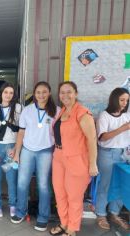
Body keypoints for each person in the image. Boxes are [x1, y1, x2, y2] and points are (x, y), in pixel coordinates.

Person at [50, 81, 98, 236]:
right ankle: (64, 223)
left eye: (69, 92)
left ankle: (72, 229)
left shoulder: (83, 113)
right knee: (59, 193)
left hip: (76, 160)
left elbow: (92, 140)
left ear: (76, 94)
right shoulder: (62, 111)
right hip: (58, 157)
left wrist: (92, 164)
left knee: (74, 197)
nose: (65, 95)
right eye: (62, 92)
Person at [10, 81, 59, 231]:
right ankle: (20, 212)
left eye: (44, 92)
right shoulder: (27, 110)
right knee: (22, 182)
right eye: (38, 92)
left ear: (49, 93)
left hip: (46, 151)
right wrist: (17, 153)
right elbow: (21, 133)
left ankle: (43, 217)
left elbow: (59, 134)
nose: (41, 95)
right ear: (34, 94)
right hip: (28, 150)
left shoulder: (57, 111)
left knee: (43, 185)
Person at [95, 88, 130, 230]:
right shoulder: (104, 115)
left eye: (127, 100)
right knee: (105, 185)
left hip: (123, 154)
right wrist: (122, 129)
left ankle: (114, 213)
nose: (124, 103)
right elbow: (102, 137)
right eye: (122, 100)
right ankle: (101, 213)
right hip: (107, 154)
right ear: (114, 99)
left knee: (122, 184)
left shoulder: (127, 116)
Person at [0, 83, 21, 217]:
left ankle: (13, 204)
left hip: (11, 148)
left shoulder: (18, 108)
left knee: (12, 178)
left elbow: (20, 131)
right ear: (1, 93)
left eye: (11, 93)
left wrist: (16, 148)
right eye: (6, 92)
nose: (8, 95)